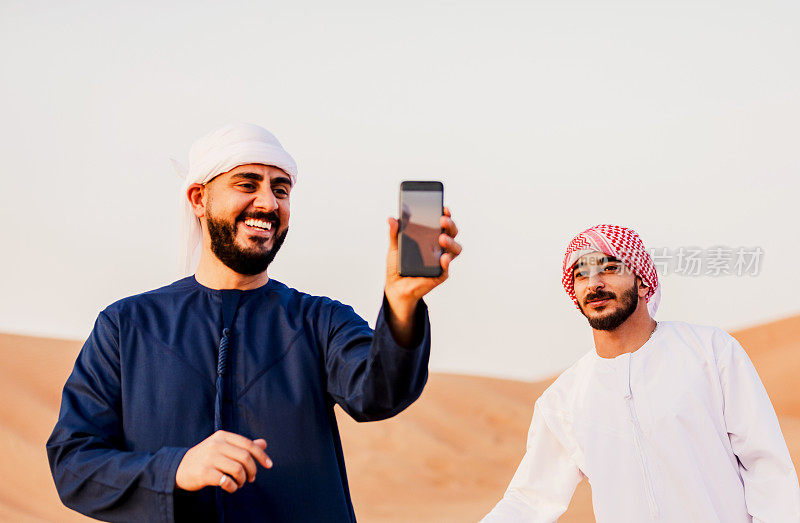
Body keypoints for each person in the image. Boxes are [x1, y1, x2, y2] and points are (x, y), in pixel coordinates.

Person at [46, 123, 462, 522]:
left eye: (280, 190)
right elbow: (74, 465)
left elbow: (381, 393)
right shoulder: (127, 326)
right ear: (198, 198)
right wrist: (176, 469)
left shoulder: (319, 321)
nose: (268, 203)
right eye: (248, 184)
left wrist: (401, 305)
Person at [481, 224, 800, 522]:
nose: (595, 284)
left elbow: (767, 467)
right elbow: (530, 500)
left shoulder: (710, 352)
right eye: (582, 275)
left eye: (609, 268)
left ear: (643, 282)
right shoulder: (564, 399)